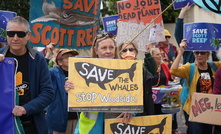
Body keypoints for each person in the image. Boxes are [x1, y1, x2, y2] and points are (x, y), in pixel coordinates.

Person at [65, 32, 133, 134]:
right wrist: (70, 89)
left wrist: (133, 108)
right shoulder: (84, 69)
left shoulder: (127, 68)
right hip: (91, 128)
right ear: (96, 50)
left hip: (119, 125)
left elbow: (135, 96)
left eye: (111, 47)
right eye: (104, 48)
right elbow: (77, 100)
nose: (108, 51)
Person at [0, 16, 54, 134]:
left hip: (31, 125)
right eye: (11, 34)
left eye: (20, 34)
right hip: (3, 124)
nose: (15, 38)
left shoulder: (37, 59)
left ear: (28, 35)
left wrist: (26, 109)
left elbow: (48, 93)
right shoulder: (0, 56)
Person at [170, 39, 221, 134]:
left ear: (208, 55)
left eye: (202, 53)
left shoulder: (214, 66)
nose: (199, 55)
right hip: (195, 110)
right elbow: (173, 71)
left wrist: (218, 45)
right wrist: (181, 52)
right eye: (197, 53)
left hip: (210, 109)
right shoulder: (190, 68)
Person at [46, 49, 79, 134]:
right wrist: (48, 53)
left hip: (76, 116)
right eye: (68, 57)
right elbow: (41, 74)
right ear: (60, 62)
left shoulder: (79, 72)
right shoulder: (53, 72)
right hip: (59, 117)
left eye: (73, 57)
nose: (72, 59)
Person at [118, 42, 155, 116]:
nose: (128, 52)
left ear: (136, 51)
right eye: (124, 50)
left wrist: (147, 53)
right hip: (123, 110)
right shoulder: (116, 67)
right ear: (120, 53)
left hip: (143, 108)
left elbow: (153, 69)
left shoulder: (142, 67)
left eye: (131, 49)